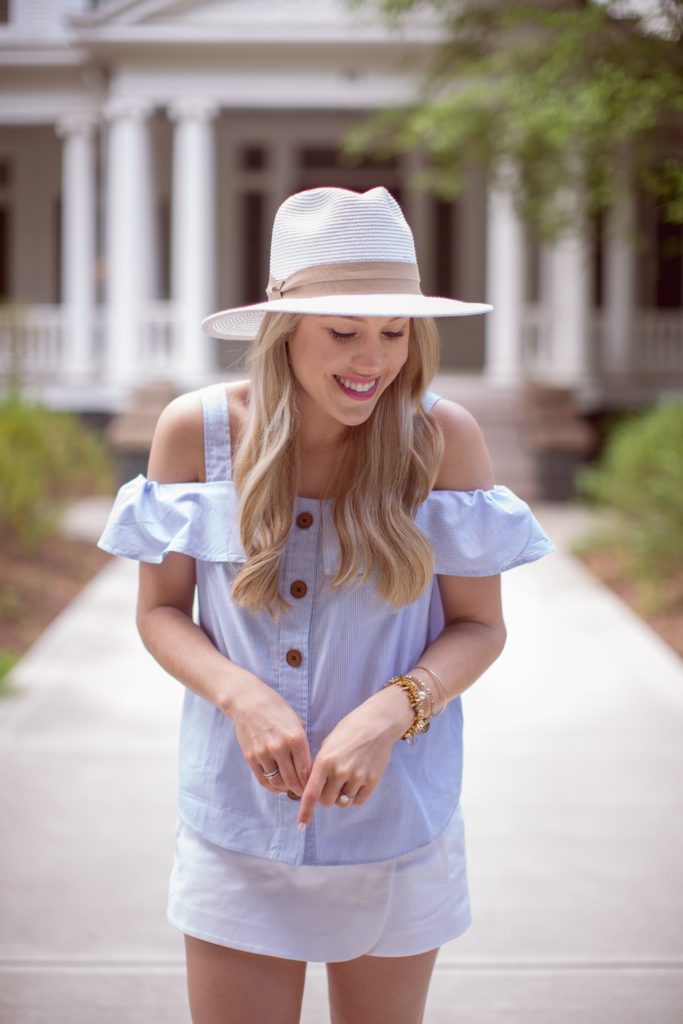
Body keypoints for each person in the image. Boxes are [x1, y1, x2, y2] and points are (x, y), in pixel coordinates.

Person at [99, 185, 554, 1024]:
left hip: (398, 823)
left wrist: (390, 711)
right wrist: (242, 696)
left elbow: (479, 628)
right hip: (236, 821)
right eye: (343, 330)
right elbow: (159, 611)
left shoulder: (440, 439)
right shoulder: (192, 433)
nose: (372, 359)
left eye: (394, 331)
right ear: (283, 331)